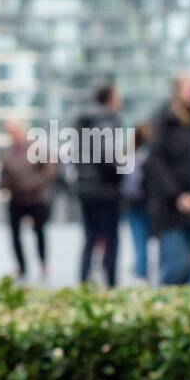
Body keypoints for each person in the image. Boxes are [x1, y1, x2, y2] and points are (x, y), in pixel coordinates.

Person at [147, 72, 190, 285]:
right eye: (188, 87)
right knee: (175, 268)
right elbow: (156, 164)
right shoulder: (163, 120)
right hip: (171, 210)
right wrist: (177, 195)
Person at [76, 84, 124, 287]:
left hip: (86, 188)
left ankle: (84, 282)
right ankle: (111, 283)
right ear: (109, 98)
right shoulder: (106, 121)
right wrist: (120, 172)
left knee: (90, 238)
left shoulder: (82, 121)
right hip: (106, 190)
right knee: (111, 240)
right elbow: (107, 156)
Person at [0, 120, 56, 282]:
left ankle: (43, 262)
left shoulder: (37, 148)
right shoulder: (7, 152)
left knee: (39, 232)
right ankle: (21, 266)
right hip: (16, 198)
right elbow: (4, 174)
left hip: (36, 198)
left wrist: (33, 183)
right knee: (15, 235)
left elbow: (50, 170)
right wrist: (6, 185)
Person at [122, 122, 152, 281]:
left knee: (139, 238)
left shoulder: (129, 154)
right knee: (143, 238)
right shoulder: (148, 154)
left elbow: (127, 183)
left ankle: (141, 271)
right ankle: (141, 270)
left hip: (134, 202)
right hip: (145, 201)